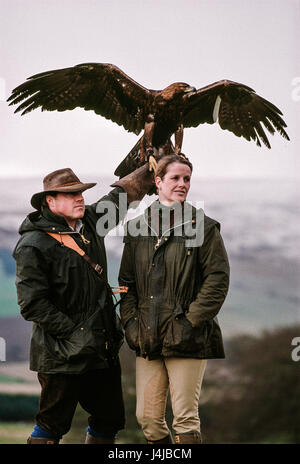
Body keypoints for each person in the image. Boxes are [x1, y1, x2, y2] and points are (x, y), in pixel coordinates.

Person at [13, 165, 155, 444]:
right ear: (49, 202)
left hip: (101, 350)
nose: (80, 198)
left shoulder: (90, 222)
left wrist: (150, 165)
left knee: (109, 420)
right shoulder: (33, 244)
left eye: (80, 192)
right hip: (61, 353)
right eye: (70, 194)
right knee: (51, 426)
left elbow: (120, 198)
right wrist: (77, 335)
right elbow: (33, 304)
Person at [119, 154, 230, 444]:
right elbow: (126, 283)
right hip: (146, 335)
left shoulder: (205, 227)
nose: (182, 184)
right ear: (158, 182)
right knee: (148, 419)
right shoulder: (136, 229)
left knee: (184, 418)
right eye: (175, 178)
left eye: (187, 179)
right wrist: (130, 323)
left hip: (187, 336)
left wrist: (189, 322)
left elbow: (217, 281)